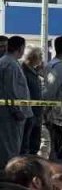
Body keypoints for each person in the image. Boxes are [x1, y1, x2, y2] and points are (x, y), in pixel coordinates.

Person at [0, 37, 31, 167]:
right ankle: (7, 174)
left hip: (9, 113)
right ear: (21, 48)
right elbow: (10, 90)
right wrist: (17, 110)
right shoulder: (10, 64)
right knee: (10, 149)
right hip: (11, 116)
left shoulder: (8, 62)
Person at [21, 47, 44, 155]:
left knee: (35, 142)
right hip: (29, 113)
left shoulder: (33, 71)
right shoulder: (23, 71)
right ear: (33, 58)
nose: (42, 59)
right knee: (27, 143)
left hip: (36, 112)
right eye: (40, 56)